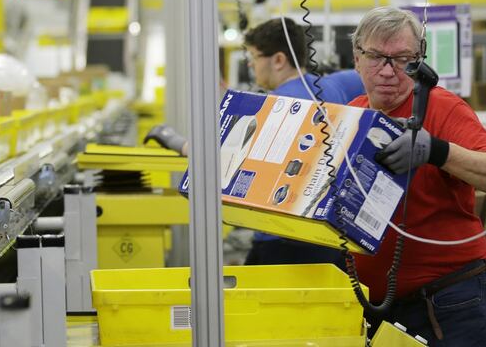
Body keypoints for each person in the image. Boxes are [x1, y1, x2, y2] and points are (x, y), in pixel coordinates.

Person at [347, 7, 486, 346]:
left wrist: (438, 152)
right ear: (356, 58)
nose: (388, 71)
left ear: (420, 61)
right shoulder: (352, 113)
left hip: (448, 303)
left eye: (402, 59)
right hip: (371, 304)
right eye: (376, 57)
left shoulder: (442, 108)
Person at [145, 17, 350, 266]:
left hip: (282, 240)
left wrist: (173, 140)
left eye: (253, 57)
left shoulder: (275, 107)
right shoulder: (334, 86)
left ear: (278, 60)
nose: (251, 66)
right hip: (330, 237)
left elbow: (216, 154)